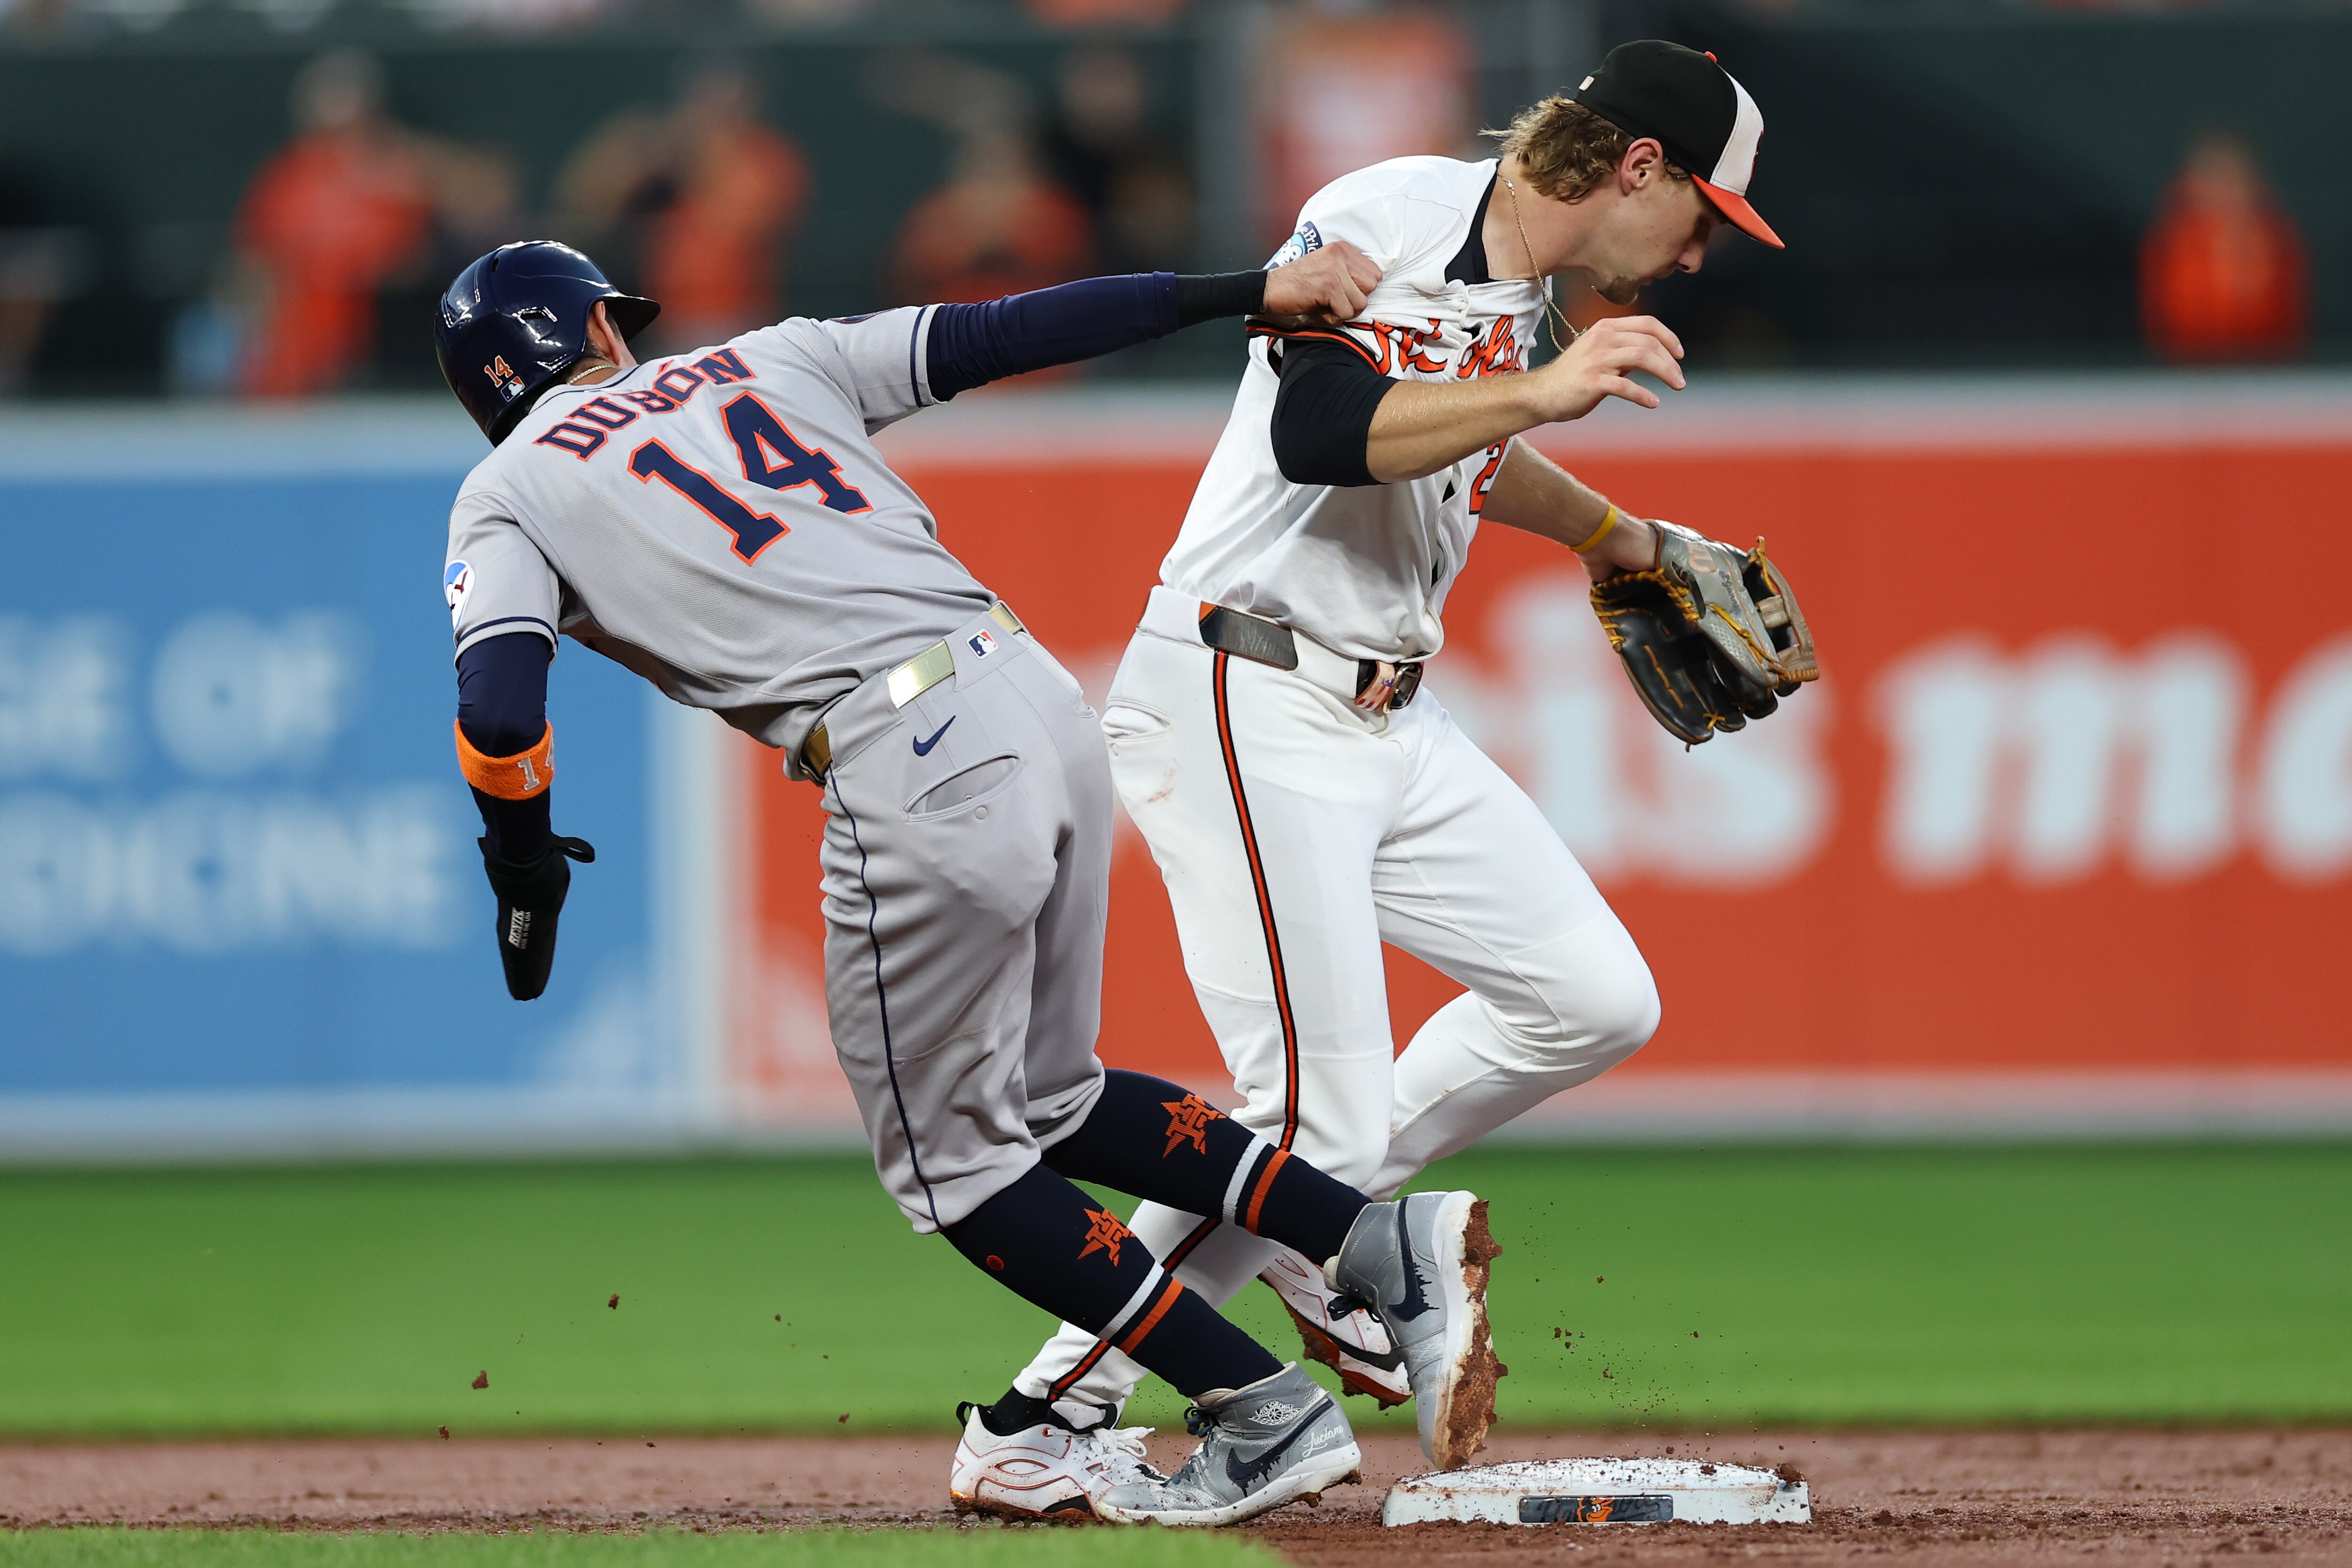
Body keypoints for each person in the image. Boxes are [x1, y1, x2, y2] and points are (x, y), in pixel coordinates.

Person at [430, 238, 1502, 1526]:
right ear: (593, 329)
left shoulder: (505, 493)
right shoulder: (770, 357)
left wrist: (524, 853)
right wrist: (1249, 292)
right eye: (617, 319)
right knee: (1050, 1097)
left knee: (952, 1168)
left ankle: (1259, 1405)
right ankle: (1370, 1240)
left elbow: (496, 709)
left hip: (908, 758)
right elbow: (1008, 329)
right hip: (1035, 693)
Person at [966, 40, 1785, 1514]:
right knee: (1311, 1120)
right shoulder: (1393, 216)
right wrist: (1540, 393)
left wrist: (1619, 535)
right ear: (1636, 168)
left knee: (1591, 997)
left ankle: (1314, 1227)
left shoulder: (1526, 305)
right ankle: (1037, 1418)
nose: (1697, 255)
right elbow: (1321, 431)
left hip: (1388, 716)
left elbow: (1454, 459)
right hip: (1243, 689)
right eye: (1704, 218)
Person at [2140, 129, 2307, 363]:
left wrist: (2251, 267)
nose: (2225, 192)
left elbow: (2286, 325)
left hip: (2266, 375)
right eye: (2214, 178)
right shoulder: (2173, 240)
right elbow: (2174, 323)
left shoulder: (2277, 237)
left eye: (2233, 179)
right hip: (2188, 373)